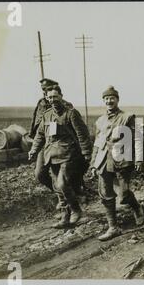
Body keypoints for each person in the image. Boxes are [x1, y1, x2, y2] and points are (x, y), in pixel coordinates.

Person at [29, 85, 92, 228]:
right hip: (51, 155)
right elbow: (41, 135)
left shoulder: (71, 113)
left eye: (55, 97)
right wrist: (34, 150)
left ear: (61, 96)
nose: (53, 100)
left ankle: (76, 209)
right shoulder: (48, 115)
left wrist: (87, 153)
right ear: (46, 98)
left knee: (62, 183)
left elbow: (82, 134)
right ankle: (65, 215)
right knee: (54, 184)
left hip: (69, 154)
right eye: (50, 97)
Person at [90, 86, 144, 241]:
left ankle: (136, 208)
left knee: (124, 194)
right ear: (103, 101)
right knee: (106, 194)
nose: (109, 101)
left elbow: (138, 139)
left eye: (112, 98)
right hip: (103, 160)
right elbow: (97, 143)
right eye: (106, 98)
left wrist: (139, 159)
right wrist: (94, 163)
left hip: (122, 159)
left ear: (117, 99)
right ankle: (113, 227)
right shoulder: (100, 121)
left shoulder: (128, 117)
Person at [30, 78, 75, 194]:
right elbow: (37, 122)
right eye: (43, 90)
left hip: (61, 144)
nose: (45, 92)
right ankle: (58, 192)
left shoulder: (66, 106)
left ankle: (69, 194)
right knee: (39, 174)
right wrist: (34, 144)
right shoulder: (41, 103)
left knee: (64, 174)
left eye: (47, 89)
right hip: (45, 144)